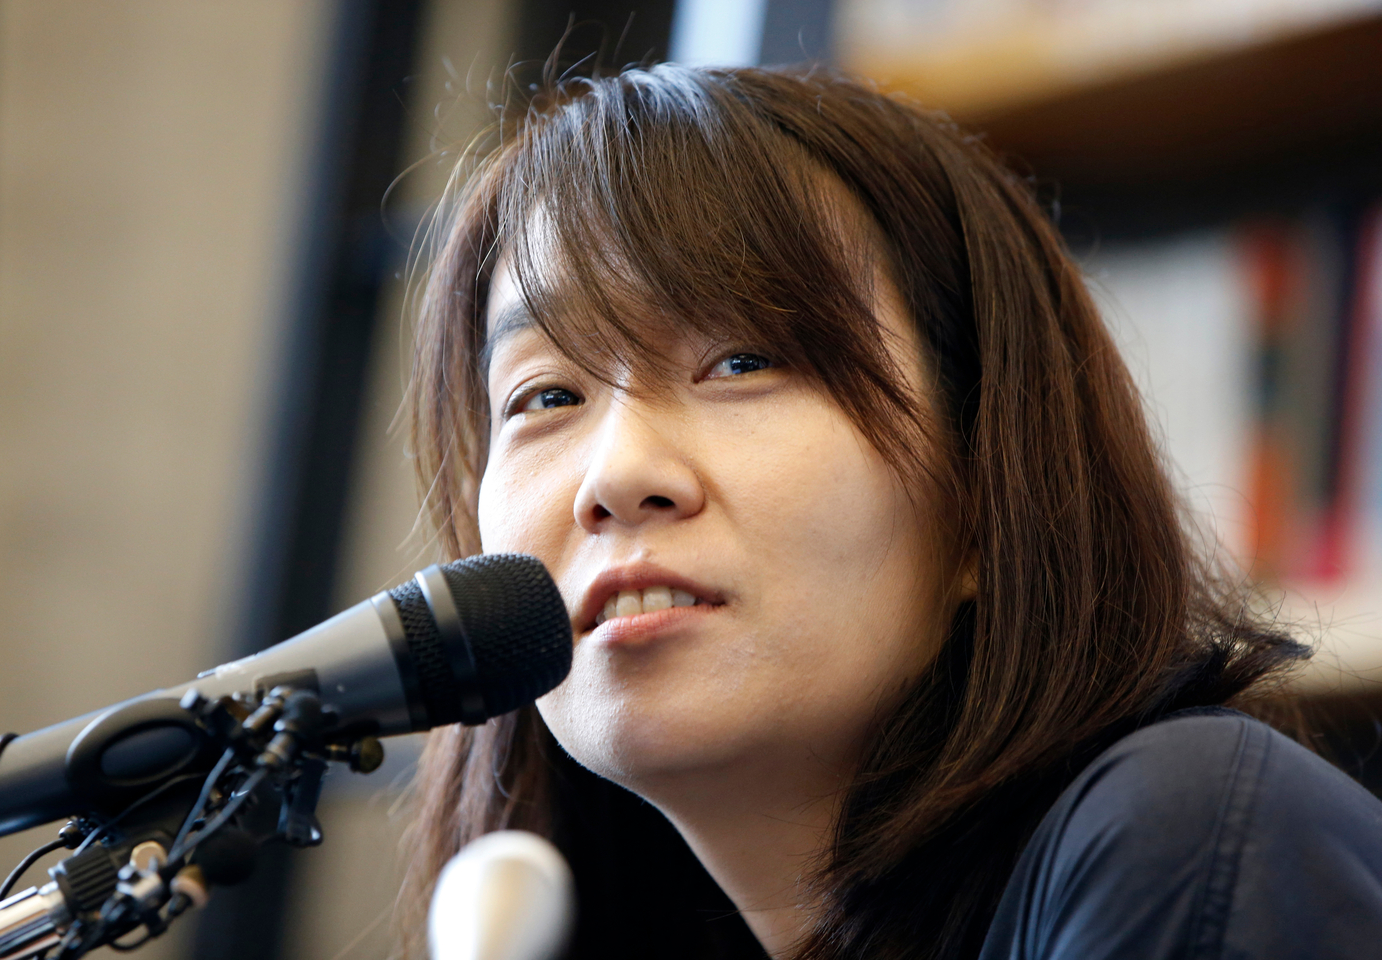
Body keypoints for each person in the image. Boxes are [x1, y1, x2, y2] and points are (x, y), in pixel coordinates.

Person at [393, 63, 1382, 960]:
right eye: (545, 397)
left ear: (987, 495)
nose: (612, 475)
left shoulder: (1184, 832)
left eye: (743, 362)